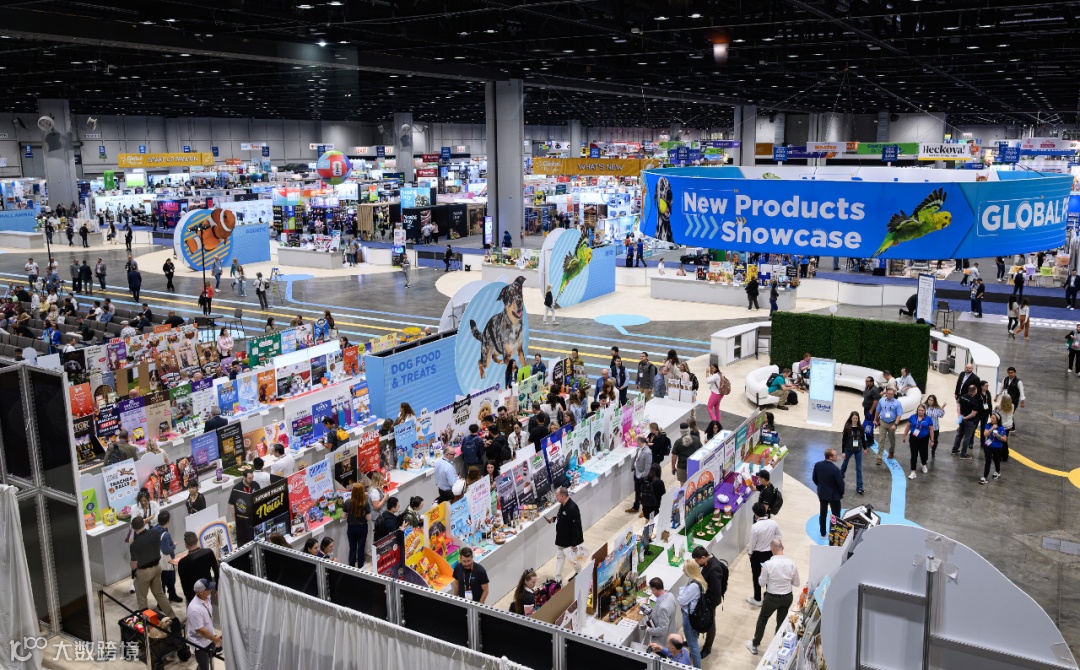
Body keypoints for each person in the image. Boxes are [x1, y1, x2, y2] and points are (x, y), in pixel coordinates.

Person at [746, 538, 800, 656]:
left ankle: (755, 644)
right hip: (787, 597)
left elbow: (761, 583)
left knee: (763, 619)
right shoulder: (792, 563)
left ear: (772, 549)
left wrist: (762, 573)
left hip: (771, 598)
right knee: (781, 622)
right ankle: (777, 646)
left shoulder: (768, 565)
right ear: (783, 547)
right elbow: (796, 583)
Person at [129, 516, 177, 618]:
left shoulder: (134, 544)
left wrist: (134, 572)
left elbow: (134, 564)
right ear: (144, 524)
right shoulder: (154, 533)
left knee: (142, 599)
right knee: (160, 594)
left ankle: (147, 622)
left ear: (133, 528)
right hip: (157, 568)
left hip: (143, 572)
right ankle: (173, 617)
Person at [692, 545, 728, 659]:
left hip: (709, 602)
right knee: (698, 619)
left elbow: (716, 591)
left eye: (697, 560)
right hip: (704, 599)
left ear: (703, 557)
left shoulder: (714, 568)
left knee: (710, 623)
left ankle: (707, 648)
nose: (697, 563)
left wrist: (708, 605)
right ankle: (693, 641)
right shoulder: (707, 562)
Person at [746, 503, 782, 607]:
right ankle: (769, 597)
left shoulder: (755, 527)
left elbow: (752, 543)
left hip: (757, 554)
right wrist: (774, 546)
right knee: (769, 575)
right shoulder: (773, 523)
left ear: (756, 514)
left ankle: (757, 599)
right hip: (770, 553)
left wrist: (750, 553)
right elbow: (779, 535)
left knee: (756, 576)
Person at [548, 486, 584, 582]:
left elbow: (576, 526)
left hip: (570, 541)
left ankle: (579, 572)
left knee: (573, 559)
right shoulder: (563, 505)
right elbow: (562, 518)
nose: (556, 497)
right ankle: (557, 579)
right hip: (562, 539)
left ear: (563, 496)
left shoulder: (573, 508)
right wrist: (554, 519)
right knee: (560, 557)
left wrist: (574, 543)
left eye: (557, 496)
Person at [678, 560, 707, 668]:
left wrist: (682, 591)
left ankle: (697, 667)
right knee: (693, 641)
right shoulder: (698, 580)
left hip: (689, 617)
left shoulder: (694, 586)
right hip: (695, 615)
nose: (683, 570)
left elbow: (681, 600)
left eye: (684, 569)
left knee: (693, 645)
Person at [187, 579, 221, 670]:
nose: (211, 590)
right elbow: (200, 630)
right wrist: (214, 639)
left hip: (210, 637)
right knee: (204, 666)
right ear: (201, 592)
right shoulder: (194, 609)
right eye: (209, 589)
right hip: (199, 643)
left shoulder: (206, 597)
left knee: (208, 660)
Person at [178, 532, 219, 603]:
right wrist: (218, 588)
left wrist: (189, 598)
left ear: (185, 544)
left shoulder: (182, 562)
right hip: (207, 588)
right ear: (197, 540)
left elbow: (184, 583)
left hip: (193, 594)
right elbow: (217, 571)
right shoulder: (209, 552)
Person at [812, 449, 844, 538]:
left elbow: (814, 479)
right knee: (836, 516)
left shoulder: (818, 465)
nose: (837, 456)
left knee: (823, 513)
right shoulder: (835, 470)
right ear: (830, 457)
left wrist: (820, 487)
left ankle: (822, 533)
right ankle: (835, 534)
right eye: (835, 455)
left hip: (822, 493)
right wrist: (840, 493)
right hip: (834, 496)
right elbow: (841, 484)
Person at [156, 510, 184, 603]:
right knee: (168, 579)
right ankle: (163, 602)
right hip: (166, 562)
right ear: (168, 521)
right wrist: (174, 545)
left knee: (165, 581)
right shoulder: (165, 535)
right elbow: (166, 550)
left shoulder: (154, 529)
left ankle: (171, 595)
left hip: (158, 560)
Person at [642, 577, 679, 647]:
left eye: (652, 590)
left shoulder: (663, 608)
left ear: (654, 589)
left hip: (662, 641)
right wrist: (653, 611)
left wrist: (648, 629)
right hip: (672, 631)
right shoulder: (670, 595)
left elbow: (662, 629)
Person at [342, 483, 372, 569]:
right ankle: (360, 568)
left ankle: (351, 567)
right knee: (361, 548)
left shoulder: (347, 502)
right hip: (362, 528)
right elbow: (369, 518)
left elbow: (343, 516)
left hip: (351, 528)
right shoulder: (365, 503)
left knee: (352, 548)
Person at [838, 411, 867, 494]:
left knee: (858, 468)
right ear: (851, 418)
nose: (855, 420)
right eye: (854, 418)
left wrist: (865, 448)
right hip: (848, 449)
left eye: (856, 418)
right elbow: (844, 440)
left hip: (858, 449)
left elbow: (863, 438)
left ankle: (859, 487)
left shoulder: (861, 428)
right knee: (844, 464)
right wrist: (843, 452)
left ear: (858, 419)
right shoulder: (848, 427)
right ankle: (839, 478)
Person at [903, 404, 934, 479]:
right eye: (919, 410)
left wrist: (932, 440)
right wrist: (904, 435)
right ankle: (913, 471)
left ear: (925, 411)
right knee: (914, 454)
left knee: (923, 453)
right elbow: (908, 427)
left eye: (922, 410)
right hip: (914, 438)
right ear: (917, 410)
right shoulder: (912, 417)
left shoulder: (928, 419)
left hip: (924, 438)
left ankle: (923, 464)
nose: (920, 412)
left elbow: (931, 430)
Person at [874, 387, 903, 464]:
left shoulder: (897, 403)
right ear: (886, 393)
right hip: (883, 422)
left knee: (892, 439)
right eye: (889, 394)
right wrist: (875, 420)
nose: (890, 395)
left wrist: (895, 424)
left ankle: (891, 451)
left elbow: (899, 415)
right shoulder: (881, 401)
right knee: (881, 439)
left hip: (892, 423)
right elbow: (877, 411)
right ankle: (879, 457)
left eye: (892, 394)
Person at [952, 383, 980, 459]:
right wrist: (965, 418)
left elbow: (958, 405)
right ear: (975, 391)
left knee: (959, 434)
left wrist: (959, 415)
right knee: (967, 437)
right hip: (969, 421)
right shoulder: (974, 401)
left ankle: (954, 450)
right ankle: (963, 454)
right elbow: (973, 414)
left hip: (961, 419)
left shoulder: (962, 397)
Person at [625, 436, 653, 515]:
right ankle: (636, 507)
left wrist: (643, 476)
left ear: (639, 442)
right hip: (636, 473)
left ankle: (645, 510)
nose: (635, 442)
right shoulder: (639, 449)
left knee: (644, 493)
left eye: (636, 441)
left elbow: (648, 466)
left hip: (642, 476)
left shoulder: (647, 452)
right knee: (637, 492)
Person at [981, 413, 1008, 484]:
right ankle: (985, 477)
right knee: (988, 461)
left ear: (997, 420)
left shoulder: (1001, 428)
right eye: (991, 418)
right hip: (988, 446)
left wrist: (998, 435)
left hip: (997, 447)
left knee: (996, 460)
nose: (992, 419)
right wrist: (992, 428)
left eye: (993, 418)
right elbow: (985, 434)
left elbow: (1005, 439)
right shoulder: (988, 425)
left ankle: (997, 471)